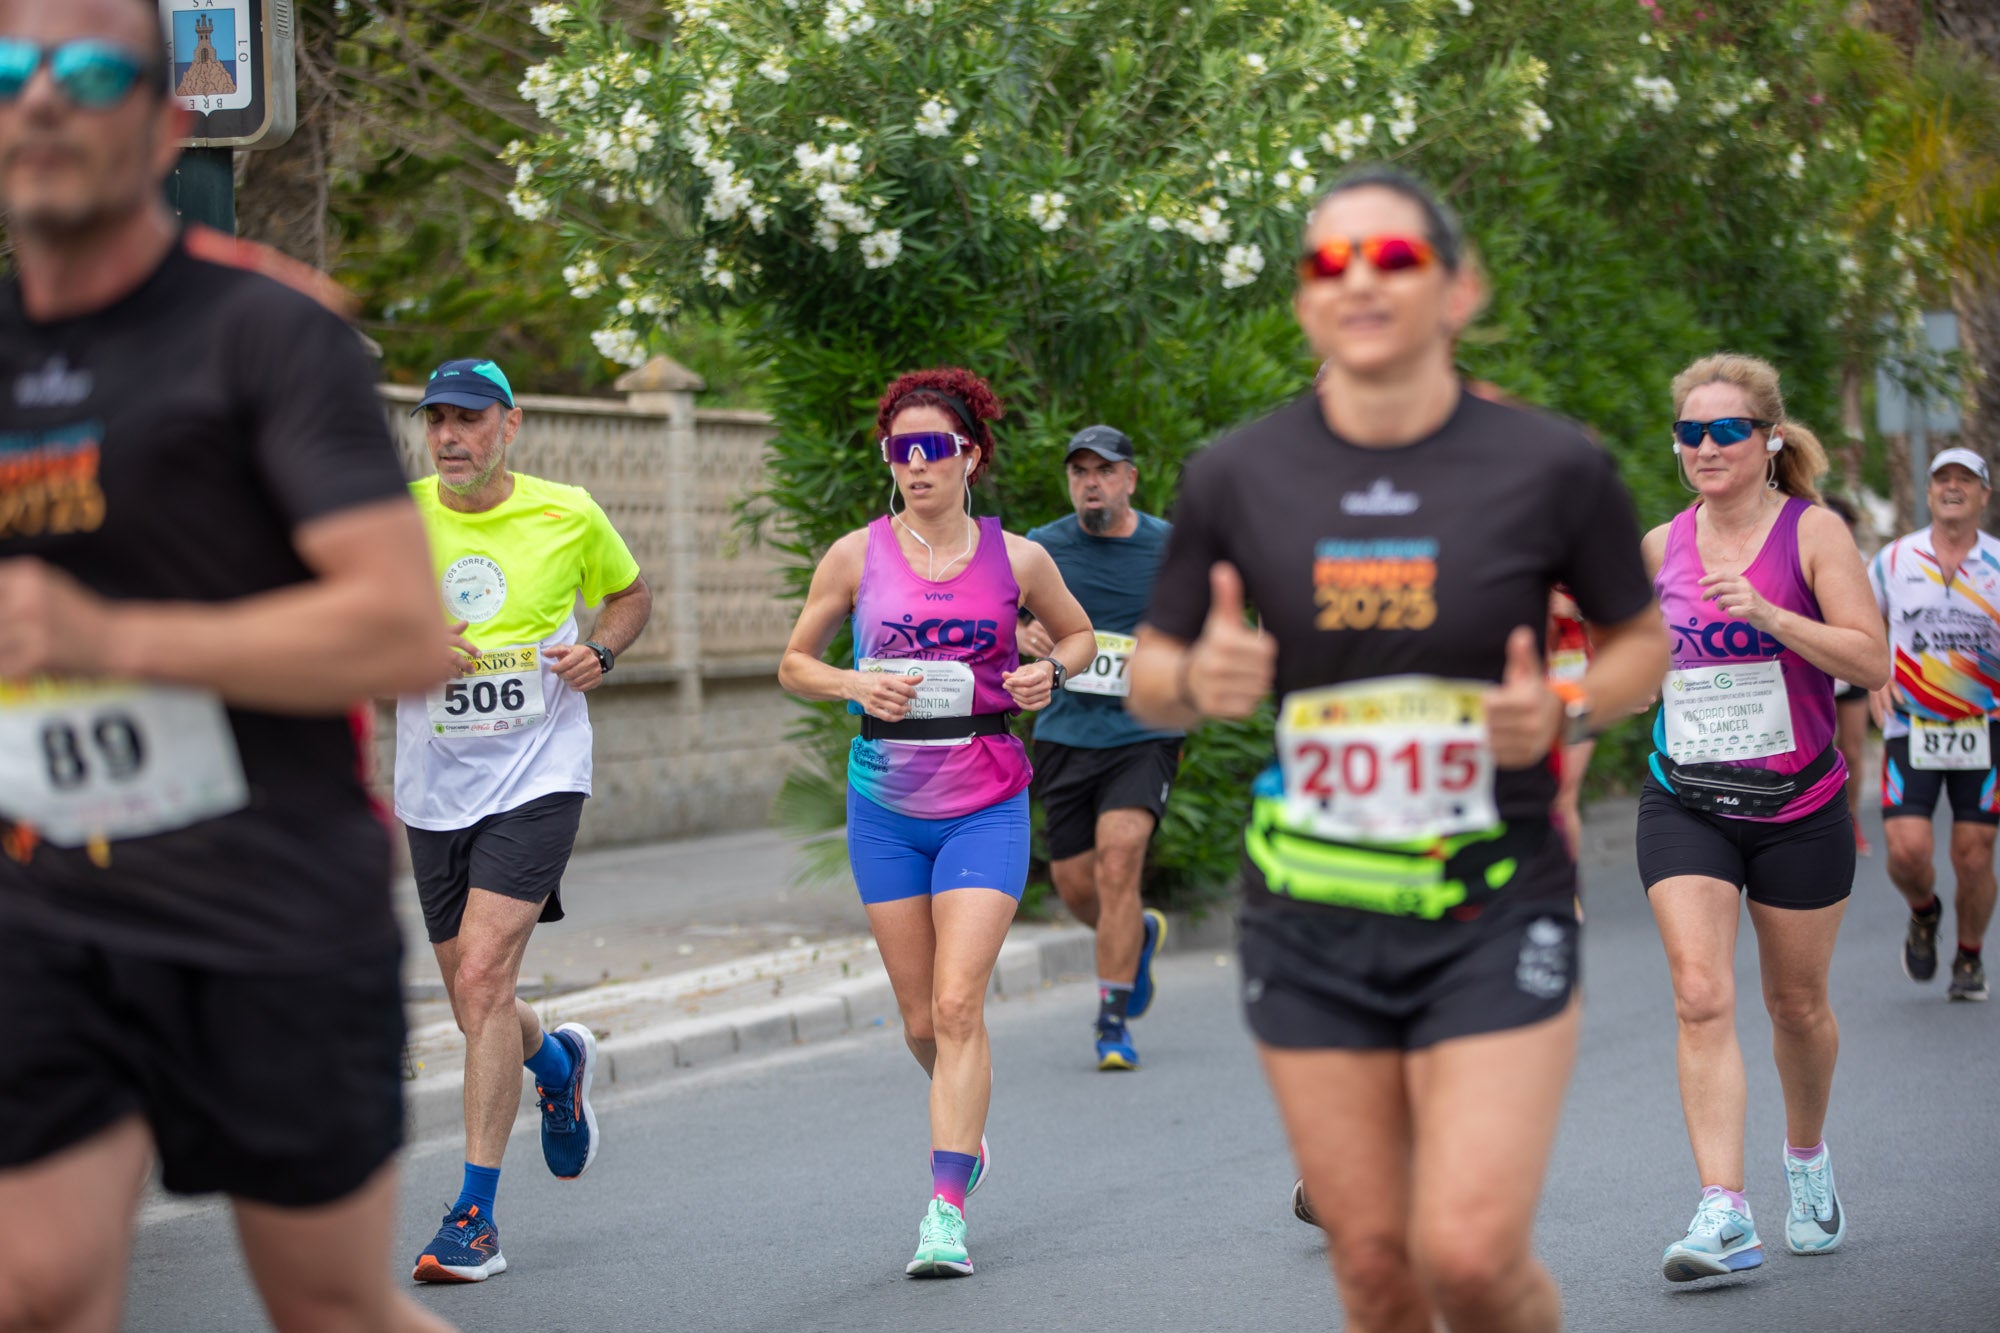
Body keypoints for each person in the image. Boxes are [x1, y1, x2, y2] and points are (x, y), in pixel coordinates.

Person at [1129, 167, 1667, 1332]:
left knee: (1468, 1257)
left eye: (1391, 259)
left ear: (1458, 288)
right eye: (1328, 264)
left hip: (1492, 895)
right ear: (1301, 302)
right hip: (1309, 905)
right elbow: (1149, 673)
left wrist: (1569, 704)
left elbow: (1639, 644)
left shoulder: (1550, 466)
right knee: (1373, 1266)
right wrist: (1199, 678)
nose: (1357, 282)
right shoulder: (1236, 474)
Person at [0, 3, 456, 1328]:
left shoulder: (265, 332)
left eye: (85, 73)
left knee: (325, 1304)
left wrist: (107, 639)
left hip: (264, 900)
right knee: (33, 1291)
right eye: (11, 72)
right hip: (42, 903)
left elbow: (399, 633)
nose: (40, 103)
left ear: (162, 121)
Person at [780, 368, 1095, 1279]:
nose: (916, 465)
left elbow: (1076, 635)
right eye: (900, 450)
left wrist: (1050, 673)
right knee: (922, 1016)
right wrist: (850, 681)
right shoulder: (854, 554)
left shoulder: (1020, 557)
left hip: (988, 796)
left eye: (934, 448)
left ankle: (945, 1207)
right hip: (884, 802)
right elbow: (795, 662)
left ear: (970, 457)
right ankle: (966, 1128)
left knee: (960, 1003)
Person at [397, 358, 652, 1282]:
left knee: (483, 970)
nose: (449, 437)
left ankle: (475, 1217)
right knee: (478, 1004)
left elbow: (629, 596)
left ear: (512, 424)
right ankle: (557, 1065)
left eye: (468, 419)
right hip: (433, 787)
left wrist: (601, 651)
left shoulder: (567, 510)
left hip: (540, 773)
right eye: (437, 421)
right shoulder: (394, 521)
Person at [1635, 353, 1887, 1282]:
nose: (1705, 446)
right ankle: (1723, 1210)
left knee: (1797, 1005)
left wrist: (1777, 616)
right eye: (1690, 432)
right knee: (1700, 993)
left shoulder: (1813, 534)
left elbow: (1870, 662)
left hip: (1801, 806)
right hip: (1687, 797)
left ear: (1769, 438)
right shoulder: (1664, 545)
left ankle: (1807, 1159)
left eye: (1726, 430)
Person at [1020, 424, 1179, 1070]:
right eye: (1080, 471)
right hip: (1065, 731)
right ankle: (1135, 932)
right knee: (1076, 883)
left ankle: (1112, 1021)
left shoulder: (1170, 546)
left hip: (1144, 731)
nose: (1092, 482)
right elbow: (1006, 617)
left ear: (1129, 479)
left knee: (1119, 862)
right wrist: (1025, 634)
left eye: (1105, 470)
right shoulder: (1040, 548)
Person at [1868, 448, 2000, 1002]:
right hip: (1910, 722)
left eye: (1964, 480)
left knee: (1972, 853)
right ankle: (1924, 913)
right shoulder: (1894, 559)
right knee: (1906, 850)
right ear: (1928, 493)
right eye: (1942, 479)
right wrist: (1876, 679)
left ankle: (1968, 957)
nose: (1952, 487)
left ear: (1983, 495)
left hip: (1984, 723)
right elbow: (1859, 620)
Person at [1822, 495, 1875, 857]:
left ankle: (1851, 818)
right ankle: (1822, 821)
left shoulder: (1863, 565)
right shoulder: (1799, 555)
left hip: (1849, 665)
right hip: (1816, 663)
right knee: (1824, 747)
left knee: (1852, 749)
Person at [1546, 587, 1594, 861]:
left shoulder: (1581, 551)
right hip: (1529, 687)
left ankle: (1568, 894)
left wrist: (1574, 610)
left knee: (1563, 795)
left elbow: (1624, 620)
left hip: (1577, 690)